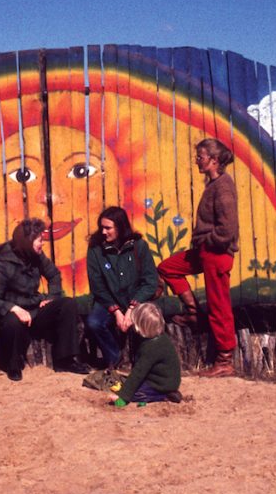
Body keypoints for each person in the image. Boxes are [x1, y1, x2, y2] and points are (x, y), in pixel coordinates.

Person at [157, 137, 240, 377]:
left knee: (219, 306)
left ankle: (224, 361)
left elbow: (228, 228)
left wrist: (209, 243)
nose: (197, 161)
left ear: (214, 161)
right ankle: (193, 313)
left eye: (200, 157)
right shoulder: (213, 184)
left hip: (216, 253)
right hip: (206, 251)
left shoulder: (223, 186)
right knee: (167, 267)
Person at [0, 218, 91, 381]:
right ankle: (12, 365)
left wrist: (52, 297)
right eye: (40, 240)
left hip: (34, 309)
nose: (43, 243)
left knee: (67, 304)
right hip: (13, 315)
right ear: (27, 242)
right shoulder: (3, 264)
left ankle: (66, 360)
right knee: (12, 321)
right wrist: (14, 308)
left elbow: (54, 275)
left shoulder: (35, 255)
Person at [85, 206, 159, 368]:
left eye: (108, 228)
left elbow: (150, 281)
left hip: (137, 299)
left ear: (120, 227)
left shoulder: (139, 246)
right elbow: (97, 286)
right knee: (94, 322)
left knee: (148, 321)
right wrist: (117, 312)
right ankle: (115, 360)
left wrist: (132, 309)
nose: (103, 232)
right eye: (101, 227)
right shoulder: (95, 250)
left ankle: (147, 363)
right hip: (108, 301)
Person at [108, 302, 182, 406]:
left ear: (140, 326)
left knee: (136, 393)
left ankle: (164, 396)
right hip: (163, 380)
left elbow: (138, 373)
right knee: (128, 384)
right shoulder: (157, 337)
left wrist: (123, 397)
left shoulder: (151, 347)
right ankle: (164, 393)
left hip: (161, 384)